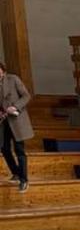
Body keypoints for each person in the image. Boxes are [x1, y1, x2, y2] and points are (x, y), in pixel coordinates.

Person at [0, 60, 33, 192]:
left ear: (3, 70)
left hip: (17, 120)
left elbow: (26, 96)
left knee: (19, 150)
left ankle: (24, 180)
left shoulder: (13, 79)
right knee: (4, 148)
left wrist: (15, 107)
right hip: (4, 122)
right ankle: (16, 173)